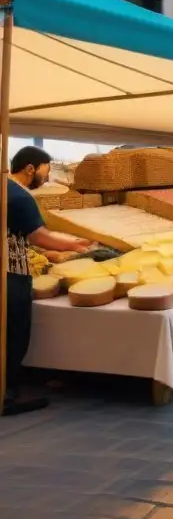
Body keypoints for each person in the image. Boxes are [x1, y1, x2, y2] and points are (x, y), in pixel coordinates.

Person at [5, 147, 91, 415]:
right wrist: (75, 245)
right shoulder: (19, 196)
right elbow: (38, 236)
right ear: (30, 168)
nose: (48, 173)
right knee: (14, 334)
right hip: (11, 273)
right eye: (46, 167)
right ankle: (7, 395)